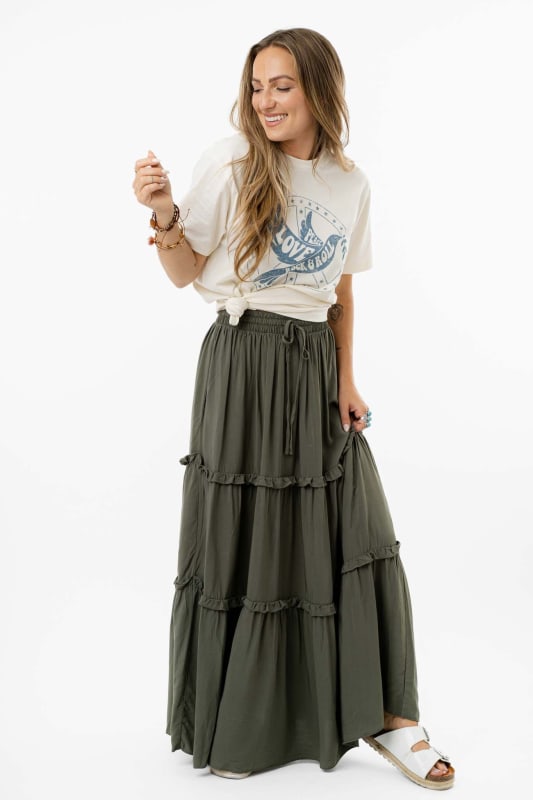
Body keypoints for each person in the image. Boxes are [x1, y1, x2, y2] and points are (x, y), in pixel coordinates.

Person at [132, 27, 455, 790]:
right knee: (251, 537)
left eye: (281, 86)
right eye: (256, 87)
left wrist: (346, 378)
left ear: (318, 89)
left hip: (313, 364)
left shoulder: (349, 182)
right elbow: (184, 273)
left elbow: (341, 288)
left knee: (357, 531)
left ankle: (391, 718)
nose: (265, 102)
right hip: (242, 360)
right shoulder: (233, 163)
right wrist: (164, 212)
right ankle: (244, 724)